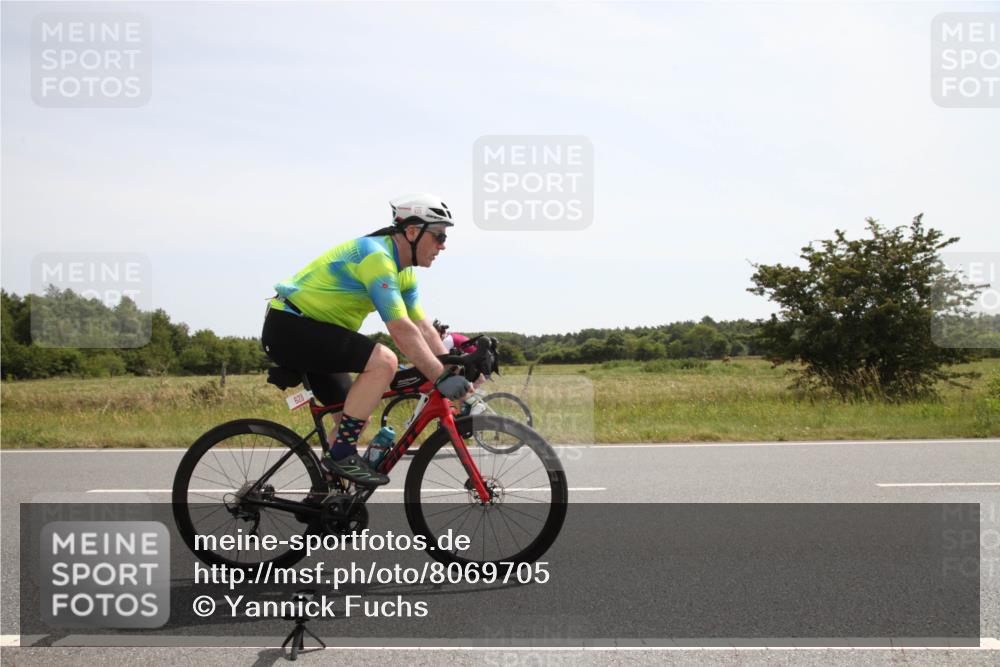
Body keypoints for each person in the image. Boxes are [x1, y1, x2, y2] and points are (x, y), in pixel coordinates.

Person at [261, 193, 472, 487]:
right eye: (439, 236)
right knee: (384, 361)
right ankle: (341, 456)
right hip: (290, 326)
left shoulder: (404, 274)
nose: (443, 245)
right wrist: (440, 376)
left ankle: (325, 497)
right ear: (412, 231)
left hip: (316, 332)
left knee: (355, 417)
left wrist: (453, 368)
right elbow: (400, 329)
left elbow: (423, 328)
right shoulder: (377, 258)